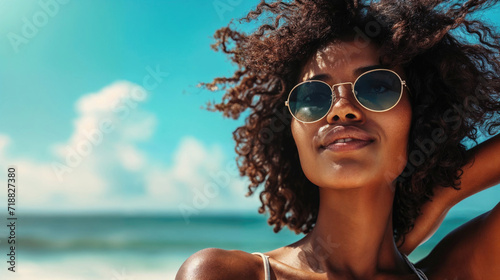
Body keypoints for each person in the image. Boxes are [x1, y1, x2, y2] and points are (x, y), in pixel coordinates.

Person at [176, 0, 500, 279]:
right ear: (293, 133)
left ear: (422, 114)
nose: (341, 110)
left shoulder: (458, 270)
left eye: (377, 88)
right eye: (313, 97)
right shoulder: (227, 274)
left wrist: (444, 192)